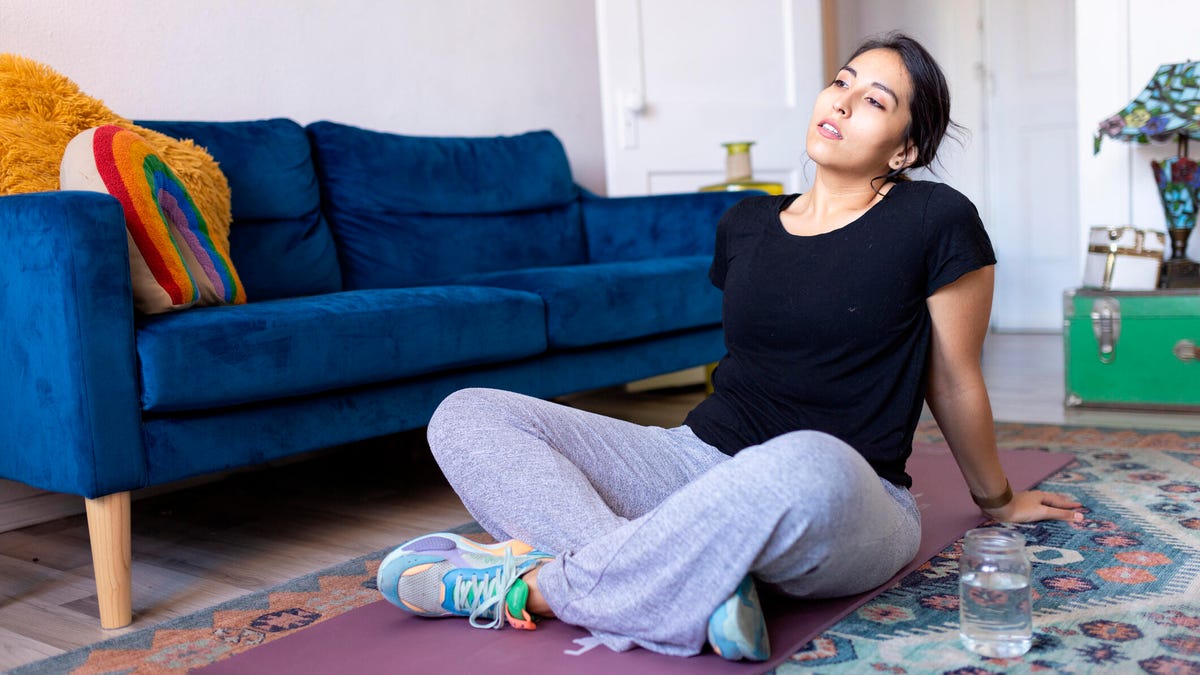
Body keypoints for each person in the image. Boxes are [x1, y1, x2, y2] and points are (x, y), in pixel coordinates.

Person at [374, 31, 1084, 661]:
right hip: (696, 461)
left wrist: (996, 499)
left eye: (874, 100)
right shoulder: (744, 222)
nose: (840, 100)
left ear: (904, 149)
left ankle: (536, 587)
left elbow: (955, 378)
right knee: (466, 414)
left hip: (843, 489)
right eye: (840, 81)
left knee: (805, 460)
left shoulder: (937, 219)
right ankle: (699, 584)